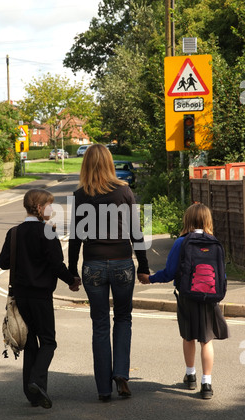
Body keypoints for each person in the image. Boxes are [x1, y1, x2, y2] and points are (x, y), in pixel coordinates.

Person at [68, 144, 150, 401]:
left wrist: (72, 272)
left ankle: (104, 388)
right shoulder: (124, 192)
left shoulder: (80, 195)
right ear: (110, 163)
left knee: (100, 324)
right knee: (123, 319)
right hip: (122, 263)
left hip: (92, 265)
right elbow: (136, 232)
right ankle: (122, 375)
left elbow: (75, 238)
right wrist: (144, 267)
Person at [0, 188, 80, 408]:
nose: (52, 209)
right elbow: (56, 265)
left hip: (21, 297)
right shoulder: (48, 232)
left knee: (32, 342)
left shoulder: (14, 232)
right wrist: (72, 280)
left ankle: (32, 394)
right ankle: (36, 381)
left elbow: (3, 263)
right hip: (41, 296)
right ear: (40, 207)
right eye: (50, 205)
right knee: (48, 341)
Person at [148, 203, 229, 399]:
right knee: (206, 340)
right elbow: (222, 276)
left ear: (188, 220)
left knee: (188, 336)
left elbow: (169, 273)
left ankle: (191, 375)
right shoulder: (214, 242)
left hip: (187, 295)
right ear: (208, 221)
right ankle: (207, 384)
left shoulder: (181, 242)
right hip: (210, 297)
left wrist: (149, 278)